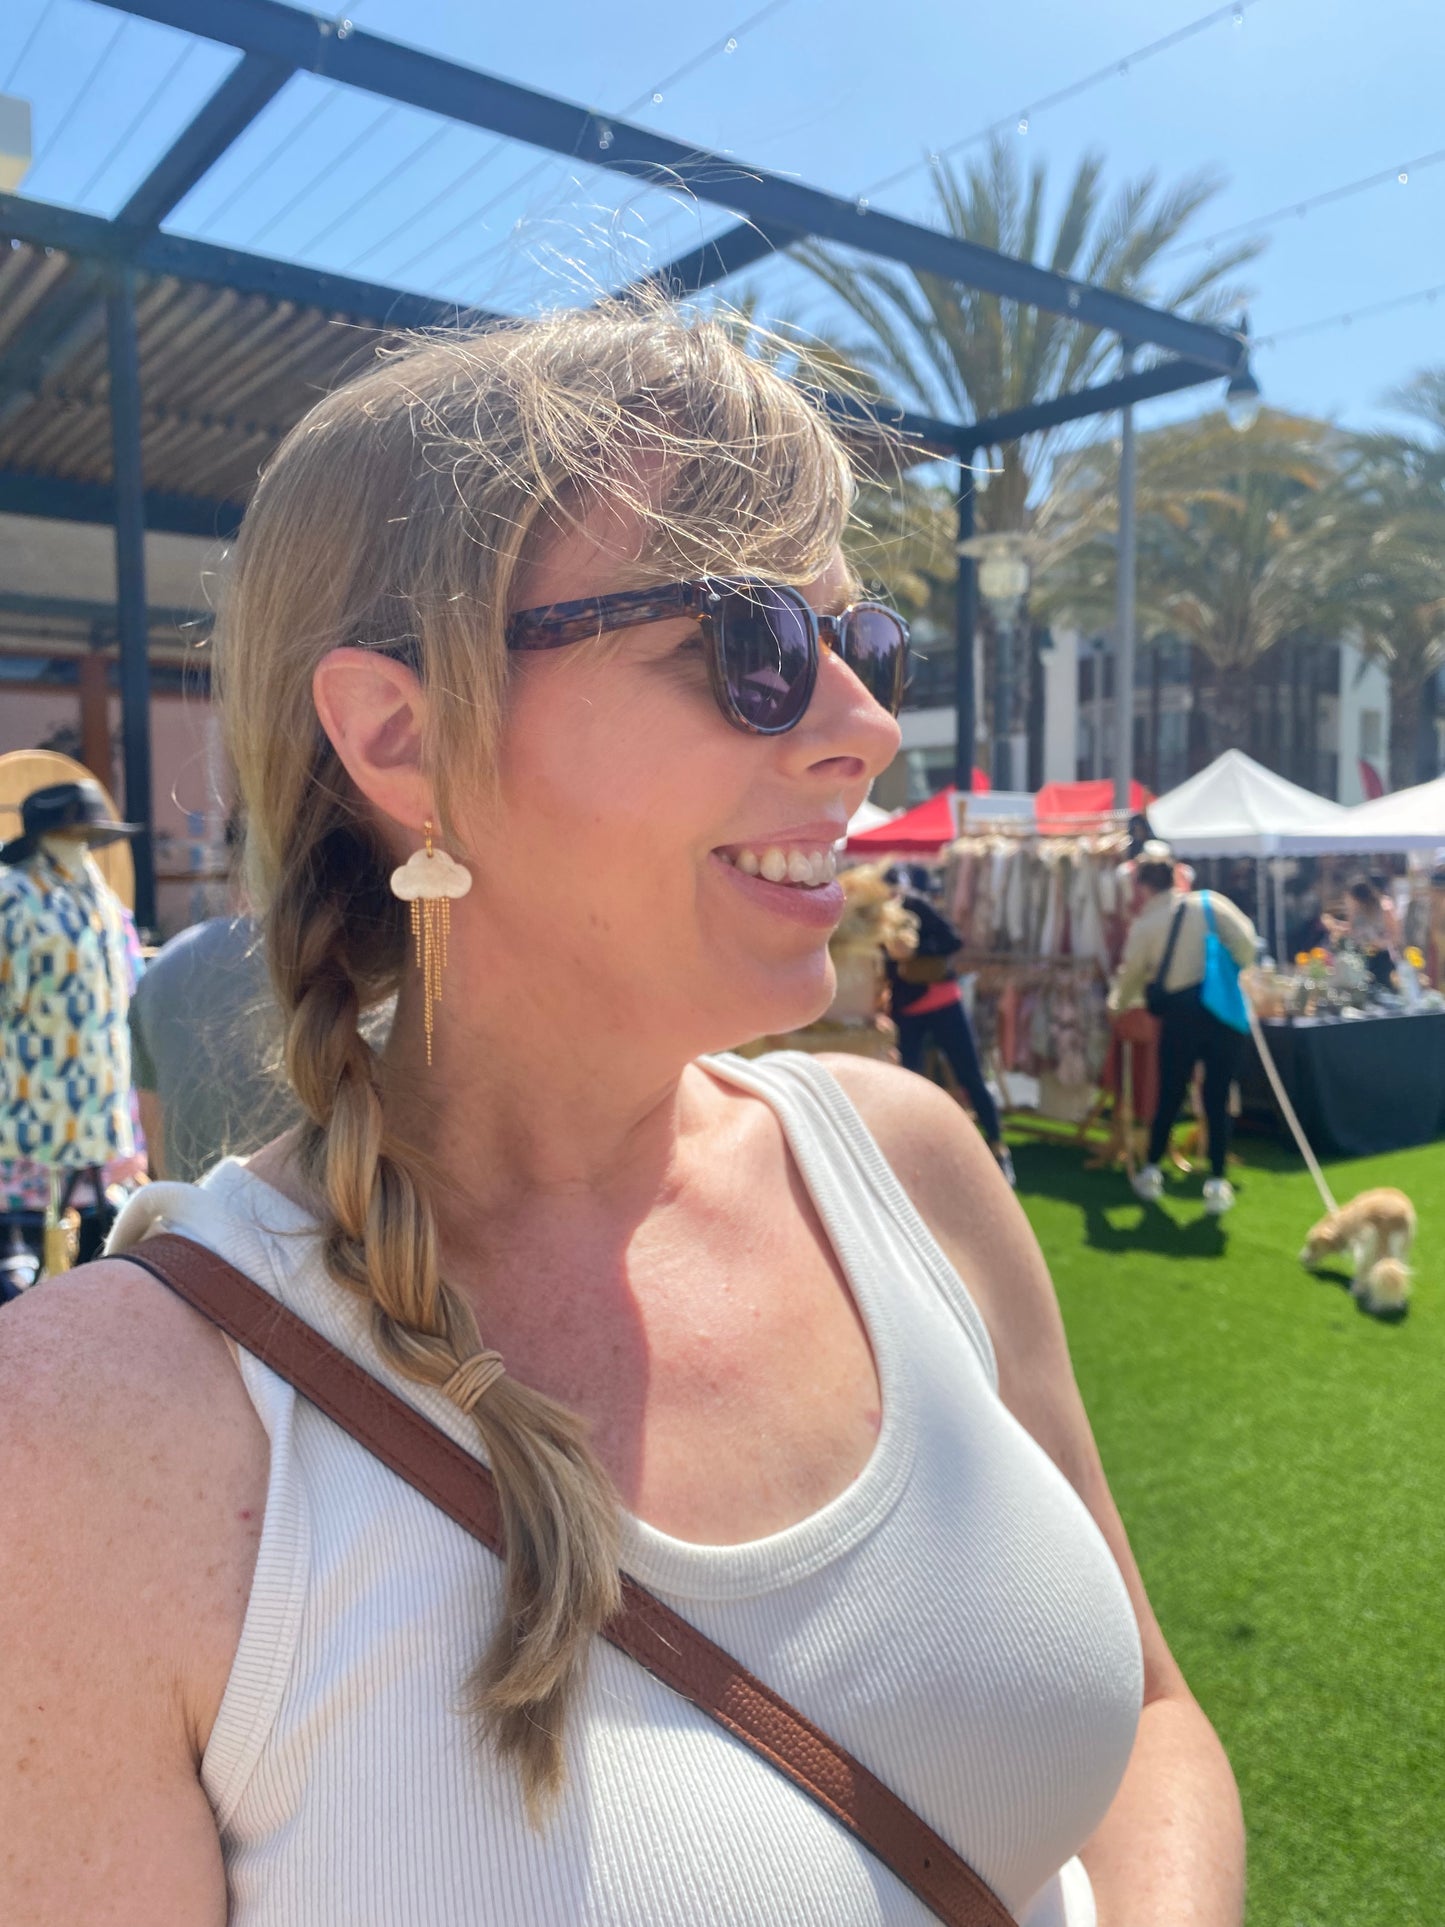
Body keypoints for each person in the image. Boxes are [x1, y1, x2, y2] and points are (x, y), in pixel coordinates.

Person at [0, 305, 1244, 1926]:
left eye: (861, 645)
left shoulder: (910, 1165)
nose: (866, 728)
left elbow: (1152, 1720)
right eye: (751, 648)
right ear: (403, 734)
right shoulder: (97, 1434)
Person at [0, 780, 145, 1263]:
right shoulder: (13, 899)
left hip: (99, 1111)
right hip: (32, 1112)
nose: (78, 847)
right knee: (30, 1265)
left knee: (93, 1258)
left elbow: (128, 996)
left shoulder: (102, 902)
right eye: (70, 834)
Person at [1109, 855, 1258, 1215]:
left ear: (1143, 887)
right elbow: (1248, 944)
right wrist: (1226, 971)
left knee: (1170, 1095)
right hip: (1223, 1012)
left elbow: (1131, 976)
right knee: (1217, 1096)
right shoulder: (1210, 903)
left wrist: (1115, 1007)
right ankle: (1217, 1180)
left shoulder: (1146, 925)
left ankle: (1150, 1172)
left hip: (1181, 1017)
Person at [128, 913, 301, 1182]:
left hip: (190, 1213)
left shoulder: (167, 965)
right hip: (324, 1216)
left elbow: (156, 1145)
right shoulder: (367, 973)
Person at [884, 865, 1016, 1187]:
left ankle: (998, 1147)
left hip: (942, 1001)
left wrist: (915, 950)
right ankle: (906, 1153)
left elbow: (952, 939)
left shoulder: (915, 906)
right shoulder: (875, 922)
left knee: (969, 1073)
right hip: (907, 1008)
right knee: (905, 1078)